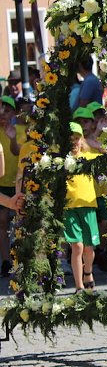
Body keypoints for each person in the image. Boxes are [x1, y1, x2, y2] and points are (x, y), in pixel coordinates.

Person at [64, 122, 101, 291]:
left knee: (88, 247)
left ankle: (88, 272)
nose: (73, 141)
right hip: (69, 207)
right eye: (70, 138)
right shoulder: (60, 160)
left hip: (88, 204)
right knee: (77, 246)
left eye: (77, 138)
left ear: (82, 140)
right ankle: (79, 286)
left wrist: (95, 141)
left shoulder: (89, 157)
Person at [0, 96, 20, 277]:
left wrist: (12, 139)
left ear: (14, 113)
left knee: (20, 220)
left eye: (7, 111)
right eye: (1, 110)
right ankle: (6, 260)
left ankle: (19, 257)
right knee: (2, 220)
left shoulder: (19, 130)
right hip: (1, 184)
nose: (3, 114)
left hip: (17, 183)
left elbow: (17, 151)